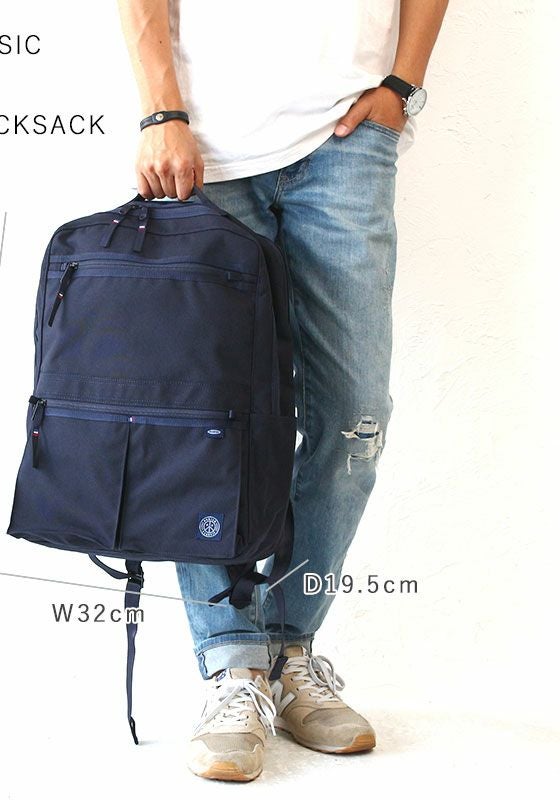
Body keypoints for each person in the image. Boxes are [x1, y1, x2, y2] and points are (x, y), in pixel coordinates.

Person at [117, 0, 449, 783]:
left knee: (354, 417)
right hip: (204, 146)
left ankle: (290, 652)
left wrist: (402, 87)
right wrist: (161, 111)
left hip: (348, 141)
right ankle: (235, 664)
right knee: (208, 425)